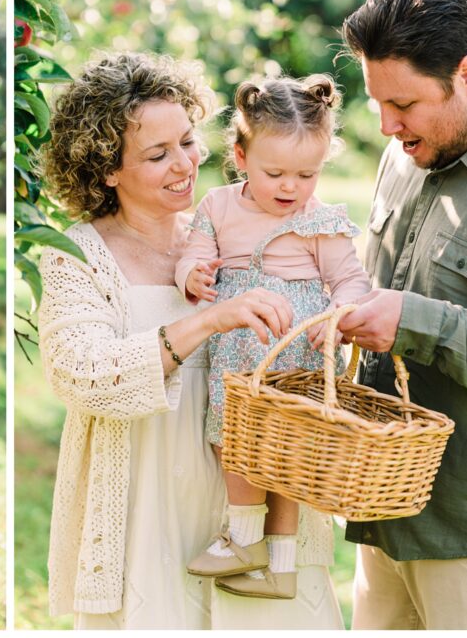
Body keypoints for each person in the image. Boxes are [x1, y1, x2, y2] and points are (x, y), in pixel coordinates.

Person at [37, 51, 343, 629]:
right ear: (107, 170)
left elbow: (307, 327)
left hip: (255, 494)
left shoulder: (241, 227)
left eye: (187, 140)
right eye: (158, 154)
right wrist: (210, 319)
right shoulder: (76, 255)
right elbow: (83, 376)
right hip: (146, 507)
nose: (185, 163)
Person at [336, 0, 467, 630]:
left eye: (403, 104)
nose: (387, 126)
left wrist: (419, 322)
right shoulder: (405, 151)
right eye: (378, 103)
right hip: (383, 515)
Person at [178, 74, 370, 600]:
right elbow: (194, 253)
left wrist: (339, 314)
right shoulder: (218, 206)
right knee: (235, 439)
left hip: (296, 352)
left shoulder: (318, 220)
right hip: (240, 349)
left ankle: (276, 561)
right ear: (240, 156)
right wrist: (191, 275)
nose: (291, 187)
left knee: (286, 453)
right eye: (276, 172)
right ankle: (248, 541)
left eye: (307, 174)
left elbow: (350, 279)